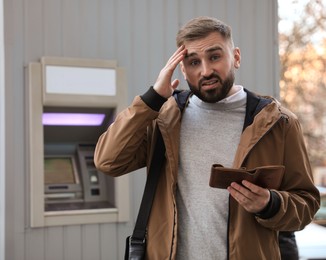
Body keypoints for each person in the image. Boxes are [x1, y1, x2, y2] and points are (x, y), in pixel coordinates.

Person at [94, 16, 320, 259]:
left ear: (236, 57)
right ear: (182, 68)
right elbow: (108, 161)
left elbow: (306, 204)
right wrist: (153, 98)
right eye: (193, 62)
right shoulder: (163, 119)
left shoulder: (279, 123)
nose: (205, 70)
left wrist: (270, 204)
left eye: (214, 56)